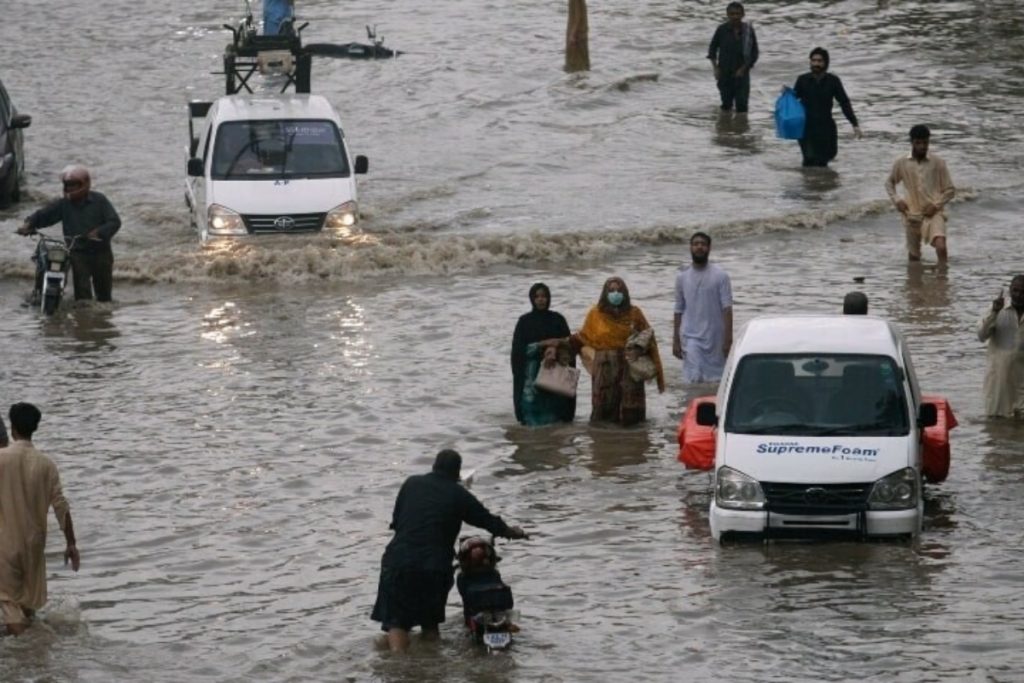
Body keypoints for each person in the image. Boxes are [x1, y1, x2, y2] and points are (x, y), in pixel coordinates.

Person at [371, 450, 526, 652]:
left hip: (398, 561)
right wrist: (512, 532)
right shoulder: (459, 494)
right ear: (457, 473)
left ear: (434, 466)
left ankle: (399, 668)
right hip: (434, 568)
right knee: (430, 624)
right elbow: (487, 520)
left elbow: (397, 523)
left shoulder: (411, 484)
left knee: (397, 622)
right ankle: (432, 669)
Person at [0, 403, 80, 637]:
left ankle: (28, 655)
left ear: (12, 428)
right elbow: (61, 508)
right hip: (34, 547)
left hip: (5, 546)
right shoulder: (47, 464)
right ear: (34, 428)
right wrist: (71, 544)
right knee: (28, 605)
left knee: (9, 604)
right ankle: (38, 648)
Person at [17, 166, 122, 302]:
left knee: (104, 295)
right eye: (67, 185)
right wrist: (29, 224)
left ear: (84, 184)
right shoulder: (64, 204)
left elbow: (114, 221)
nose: (70, 188)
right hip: (77, 252)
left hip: (101, 252)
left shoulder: (99, 200)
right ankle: (84, 319)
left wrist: (99, 232)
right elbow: (45, 214)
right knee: (83, 296)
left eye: (73, 185)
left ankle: (102, 319)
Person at [570, 277, 666, 426]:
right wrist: (561, 345)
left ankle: (631, 443)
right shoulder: (595, 314)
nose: (615, 294)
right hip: (605, 370)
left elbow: (648, 338)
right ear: (605, 293)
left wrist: (639, 351)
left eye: (619, 291)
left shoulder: (635, 313)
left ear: (625, 293)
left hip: (630, 369)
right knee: (604, 417)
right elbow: (584, 338)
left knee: (632, 420)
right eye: (611, 291)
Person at [884, 124, 956, 263]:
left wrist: (935, 205)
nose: (922, 146)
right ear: (912, 142)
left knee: (941, 246)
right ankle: (914, 281)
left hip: (934, 213)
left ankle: (943, 277)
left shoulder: (938, 163)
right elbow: (889, 183)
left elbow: (950, 190)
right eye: (918, 143)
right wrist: (897, 200)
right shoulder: (902, 162)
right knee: (914, 255)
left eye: (925, 143)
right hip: (911, 214)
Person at [510, 283, 576, 426]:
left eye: (544, 296)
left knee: (556, 421)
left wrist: (556, 346)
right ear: (532, 299)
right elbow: (518, 351)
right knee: (531, 421)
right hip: (531, 378)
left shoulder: (558, 319)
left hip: (555, 375)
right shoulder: (524, 322)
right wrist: (542, 344)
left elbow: (570, 346)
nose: (541, 300)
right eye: (537, 296)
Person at [673, 233, 734, 383]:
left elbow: (727, 309)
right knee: (693, 377)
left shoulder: (721, 276)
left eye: (703, 244)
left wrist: (728, 339)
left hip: (715, 338)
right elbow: (678, 309)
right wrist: (676, 340)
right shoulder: (682, 277)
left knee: (715, 381)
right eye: (695, 244)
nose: (699, 247)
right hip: (690, 336)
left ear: (709, 248)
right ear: (690, 248)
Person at [793, 47, 862, 167]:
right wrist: (786, 95)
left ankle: (822, 183)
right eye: (813, 60)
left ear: (826, 63)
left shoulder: (833, 81)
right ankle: (808, 183)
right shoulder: (802, 80)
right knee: (809, 159)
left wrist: (854, 124)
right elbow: (792, 101)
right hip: (806, 127)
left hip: (826, 127)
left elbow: (844, 102)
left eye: (820, 61)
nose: (816, 64)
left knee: (824, 160)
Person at [977, 276, 1024, 419]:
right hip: (999, 382)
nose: (1019, 295)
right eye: (1015, 290)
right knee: (997, 425)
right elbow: (981, 336)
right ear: (1009, 290)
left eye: (1023, 292)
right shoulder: (996, 310)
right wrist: (994, 313)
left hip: (1022, 381)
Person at [707, 2, 759, 114]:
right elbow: (712, 50)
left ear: (743, 14)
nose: (735, 16)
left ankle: (741, 128)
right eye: (732, 14)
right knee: (726, 105)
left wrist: (743, 69)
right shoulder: (721, 30)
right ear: (727, 15)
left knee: (742, 106)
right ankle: (726, 128)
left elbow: (754, 53)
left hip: (742, 75)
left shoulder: (748, 31)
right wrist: (715, 68)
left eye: (738, 14)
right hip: (724, 73)